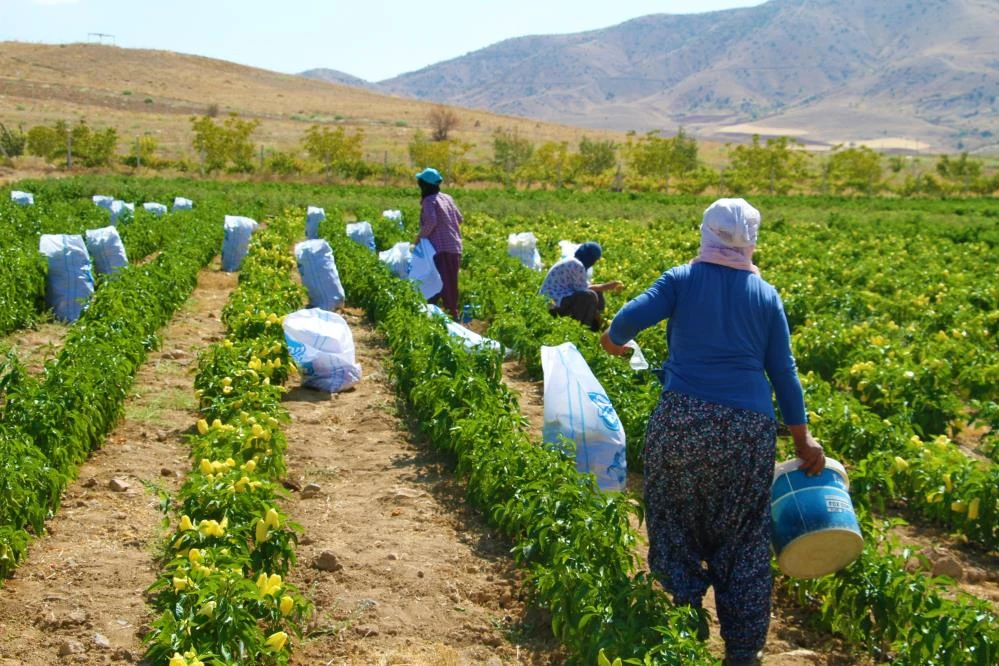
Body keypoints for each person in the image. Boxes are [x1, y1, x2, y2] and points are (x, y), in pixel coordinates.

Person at [599, 198, 824, 666]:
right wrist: (804, 441)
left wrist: (616, 347)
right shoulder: (766, 297)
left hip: (681, 424)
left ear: (705, 232)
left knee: (676, 528)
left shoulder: (681, 279)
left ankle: (678, 639)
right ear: (751, 241)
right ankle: (741, 654)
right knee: (743, 543)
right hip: (747, 434)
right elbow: (784, 372)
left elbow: (620, 328)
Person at [539, 241, 623, 331]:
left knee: (596, 292)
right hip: (552, 303)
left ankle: (595, 323)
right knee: (590, 296)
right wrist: (606, 286)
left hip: (559, 298)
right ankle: (584, 328)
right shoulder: (576, 265)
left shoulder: (573, 261)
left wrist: (601, 289)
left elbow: (582, 286)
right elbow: (584, 289)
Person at [414, 167, 463, 319]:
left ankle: (447, 316)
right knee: (449, 282)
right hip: (454, 247)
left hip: (440, 249)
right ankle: (444, 313)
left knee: (438, 282)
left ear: (424, 185)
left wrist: (417, 239)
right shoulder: (447, 198)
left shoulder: (429, 201)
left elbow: (431, 222)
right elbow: (460, 218)